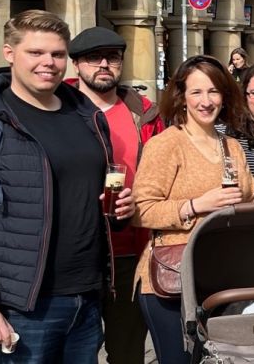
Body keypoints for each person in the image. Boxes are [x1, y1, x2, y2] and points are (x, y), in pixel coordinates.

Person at [0, 10, 137, 363]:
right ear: (9, 53)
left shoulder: (86, 115)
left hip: (88, 295)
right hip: (24, 305)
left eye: (57, 54)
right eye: (36, 53)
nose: (49, 63)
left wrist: (120, 212)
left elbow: (95, 196)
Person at [133, 56, 254, 364]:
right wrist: (195, 205)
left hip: (221, 275)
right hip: (171, 280)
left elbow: (249, 199)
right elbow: (141, 210)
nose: (206, 101)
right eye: (197, 92)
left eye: (214, 91)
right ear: (182, 96)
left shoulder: (232, 147)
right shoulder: (166, 144)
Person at [67, 26, 164, 364]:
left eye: (113, 58)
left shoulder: (144, 113)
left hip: (130, 255)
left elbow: (161, 176)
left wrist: (140, 199)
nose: (104, 64)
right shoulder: (57, 108)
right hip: (75, 256)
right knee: (75, 352)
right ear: (76, 64)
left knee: (127, 352)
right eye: (94, 58)